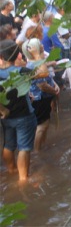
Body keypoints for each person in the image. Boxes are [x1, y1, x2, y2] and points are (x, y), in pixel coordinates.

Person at [0, 39, 37, 182]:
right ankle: (23, 179)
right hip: (24, 115)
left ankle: (11, 170)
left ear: (1, 57)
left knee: (9, 145)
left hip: (6, 117)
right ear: (18, 55)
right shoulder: (22, 71)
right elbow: (43, 73)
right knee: (24, 147)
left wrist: (2, 109)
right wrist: (37, 56)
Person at [25, 38, 60, 151]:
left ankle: (42, 146)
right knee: (42, 126)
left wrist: (55, 84)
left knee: (45, 123)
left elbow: (47, 78)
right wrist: (54, 91)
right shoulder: (34, 65)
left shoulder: (36, 63)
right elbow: (42, 85)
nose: (42, 46)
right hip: (39, 98)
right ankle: (37, 151)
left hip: (42, 98)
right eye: (40, 45)